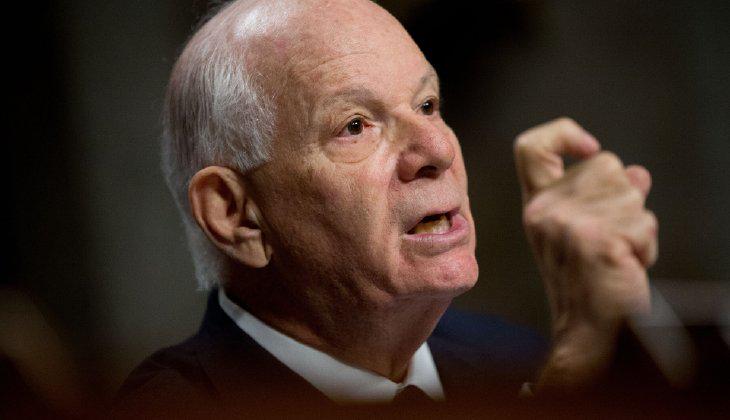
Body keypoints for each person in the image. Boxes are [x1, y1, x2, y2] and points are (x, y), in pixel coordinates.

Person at [114, 0, 658, 417]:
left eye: (428, 104)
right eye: (355, 126)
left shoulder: (511, 356)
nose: (438, 150)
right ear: (236, 215)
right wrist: (572, 379)